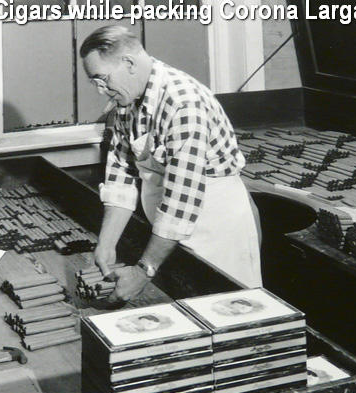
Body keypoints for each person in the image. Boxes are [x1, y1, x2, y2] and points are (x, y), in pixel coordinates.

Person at [80, 25, 262, 301]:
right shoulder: (126, 102)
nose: (100, 90)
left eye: (102, 79)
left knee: (230, 308)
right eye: (95, 82)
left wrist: (143, 271)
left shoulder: (183, 103)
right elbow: (121, 176)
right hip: (166, 231)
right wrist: (106, 245)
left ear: (128, 63)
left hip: (214, 228)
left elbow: (181, 202)